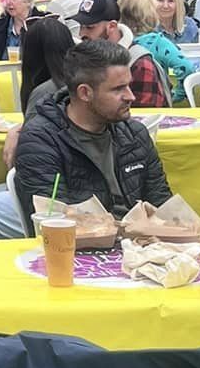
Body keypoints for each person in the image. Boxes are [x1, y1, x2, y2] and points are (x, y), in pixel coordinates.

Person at [10, 40, 173, 235]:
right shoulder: (42, 141)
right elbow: (56, 224)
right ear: (85, 93)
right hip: (81, 253)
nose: (131, 96)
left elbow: (163, 206)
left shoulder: (135, 134)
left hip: (143, 247)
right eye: (118, 89)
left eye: (129, 86)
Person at [113, 0, 186, 105]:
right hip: (151, 103)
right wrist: (177, 95)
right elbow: (187, 68)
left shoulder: (114, 38)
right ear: (151, 12)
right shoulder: (157, 42)